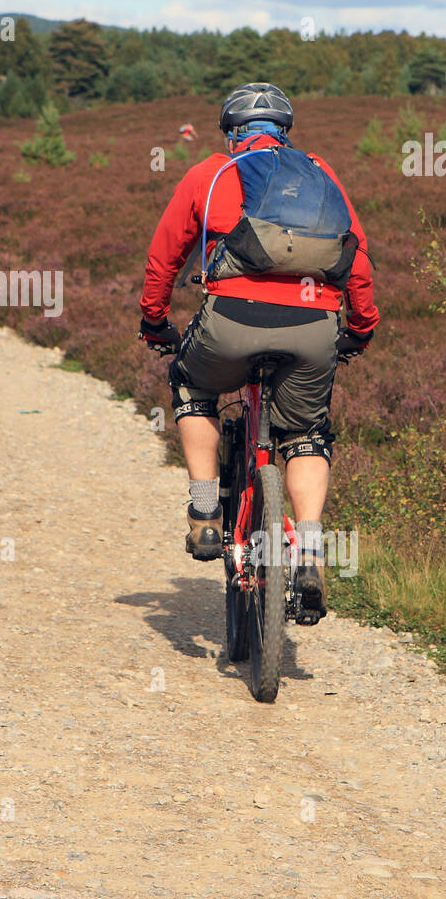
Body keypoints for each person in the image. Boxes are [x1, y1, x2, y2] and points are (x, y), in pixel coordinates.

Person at [138, 82, 379, 618]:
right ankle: (311, 550)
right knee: (307, 431)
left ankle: (205, 514)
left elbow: (164, 256)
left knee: (193, 385)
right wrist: (360, 326)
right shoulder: (319, 172)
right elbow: (355, 256)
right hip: (315, 325)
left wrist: (155, 320)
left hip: (231, 323)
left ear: (232, 133)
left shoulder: (208, 172)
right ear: (285, 132)